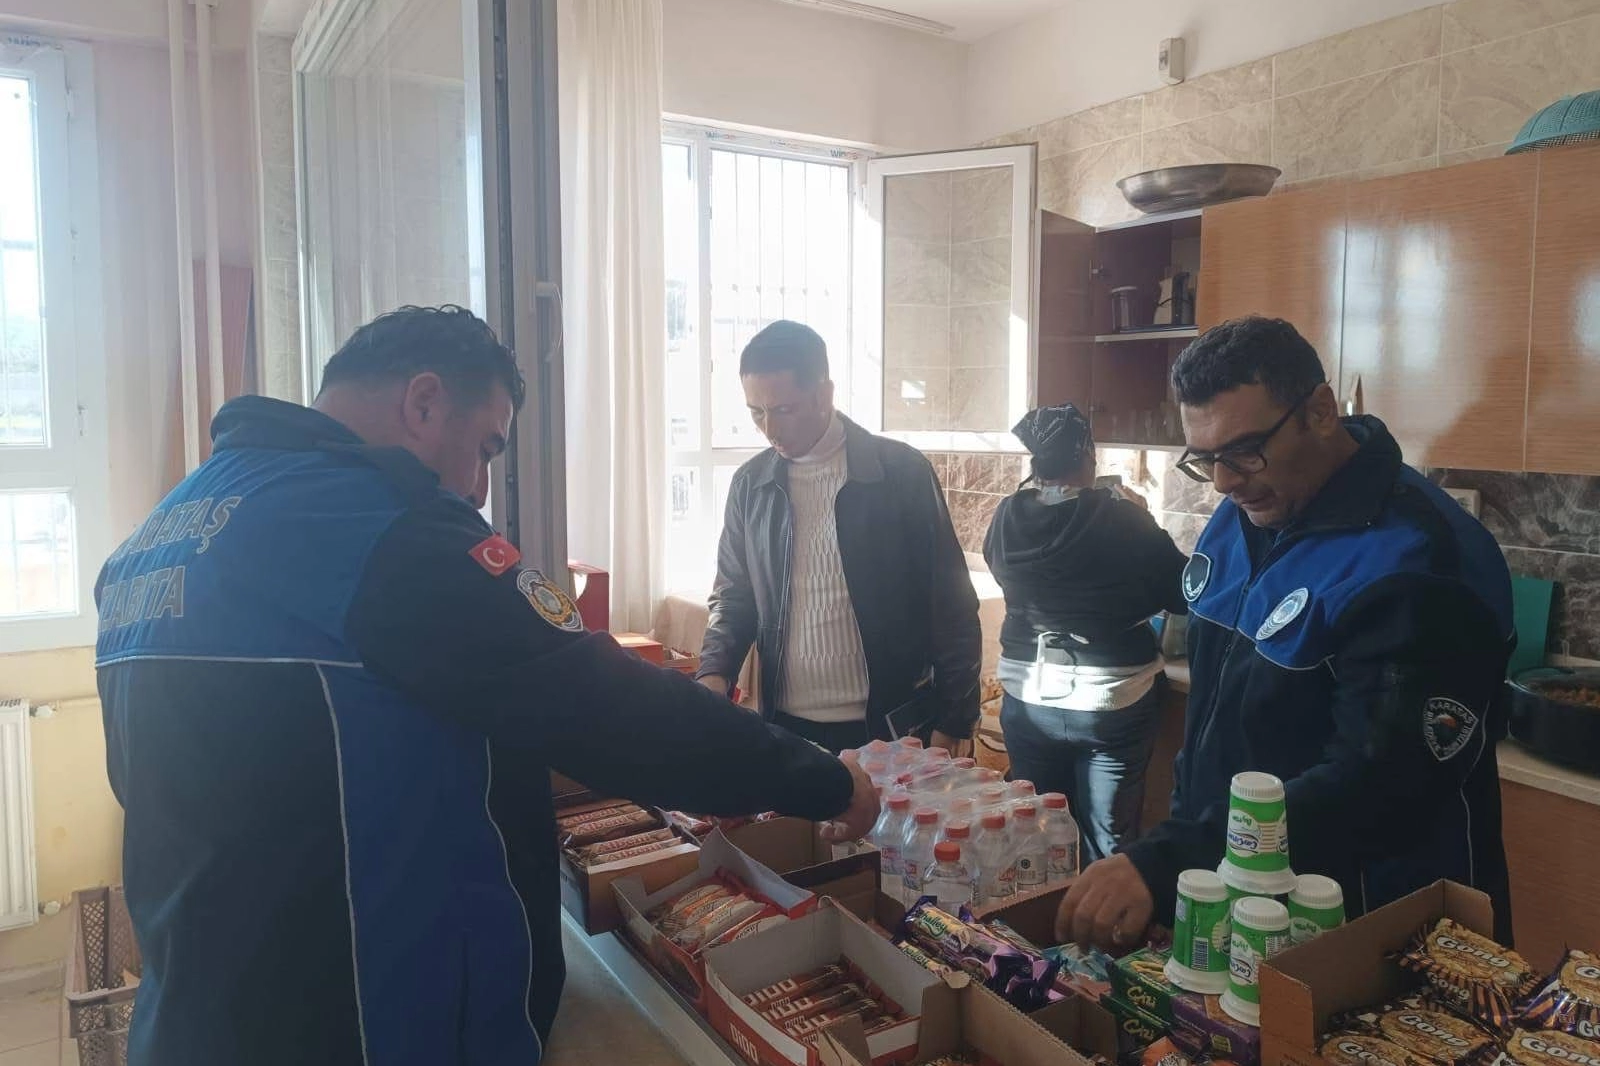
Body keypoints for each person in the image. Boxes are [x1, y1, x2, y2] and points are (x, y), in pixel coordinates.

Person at [95, 305, 879, 1066]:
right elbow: (606, 706)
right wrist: (823, 781)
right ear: (424, 402)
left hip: (197, 1012)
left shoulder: (158, 537)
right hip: (361, 1023)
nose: (476, 488)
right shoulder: (379, 530)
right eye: (485, 447)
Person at [1056, 316, 1516, 949]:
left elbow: (1378, 784)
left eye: (1245, 450)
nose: (1224, 481)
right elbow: (1216, 730)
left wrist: (1169, 859)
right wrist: (1192, 861)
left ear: (1321, 412)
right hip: (1236, 900)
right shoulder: (1242, 514)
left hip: (1372, 927)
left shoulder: (1418, 558)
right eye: (1206, 459)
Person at [696, 320, 983, 755]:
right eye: (756, 412)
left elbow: (951, 603)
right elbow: (734, 596)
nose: (770, 428)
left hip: (891, 728)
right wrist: (713, 675)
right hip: (787, 729)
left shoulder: (900, 473)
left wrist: (955, 720)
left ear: (824, 395)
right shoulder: (751, 485)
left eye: (783, 409)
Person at [984, 403, 1189, 865]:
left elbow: (1005, 573)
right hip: (1109, 701)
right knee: (1108, 840)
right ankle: (1106, 910)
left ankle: (1040, 909)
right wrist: (1144, 519)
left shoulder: (1006, 515)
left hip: (1027, 695)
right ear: (1088, 456)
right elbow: (1182, 592)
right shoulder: (1123, 518)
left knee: (1037, 833)